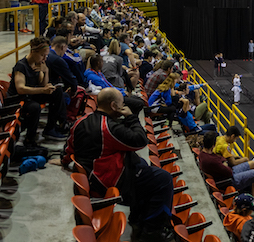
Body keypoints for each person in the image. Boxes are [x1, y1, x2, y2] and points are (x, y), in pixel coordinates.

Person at [64, 88, 174, 242]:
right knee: (163, 179)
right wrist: (130, 117)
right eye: (122, 105)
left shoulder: (80, 121)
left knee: (143, 166)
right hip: (109, 181)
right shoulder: (109, 128)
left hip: (95, 176)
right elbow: (140, 141)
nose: (124, 108)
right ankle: (152, 231)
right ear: (114, 106)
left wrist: (64, 161)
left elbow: (69, 147)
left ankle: (138, 219)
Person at [9, 37, 68, 144]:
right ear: (33, 52)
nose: (44, 59)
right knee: (34, 107)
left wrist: (46, 71)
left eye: (46, 56)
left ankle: (52, 127)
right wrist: (43, 90)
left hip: (31, 95)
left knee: (57, 93)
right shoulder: (21, 66)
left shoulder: (38, 65)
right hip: (20, 99)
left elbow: (43, 84)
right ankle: (29, 140)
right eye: (42, 55)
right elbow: (20, 89)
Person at [199, 131, 254, 199]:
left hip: (226, 173)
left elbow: (221, 158)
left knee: (253, 164)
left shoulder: (203, 153)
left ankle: (253, 194)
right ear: (214, 144)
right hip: (229, 180)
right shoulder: (211, 160)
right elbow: (229, 172)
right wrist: (225, 163)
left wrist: (224, 162)